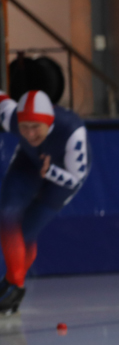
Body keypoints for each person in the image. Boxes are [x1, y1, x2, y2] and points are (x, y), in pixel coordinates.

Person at [0, 90, 90, 315]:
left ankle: (11, 284)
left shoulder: (73, 132)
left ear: (48, 123)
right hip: (30, 162)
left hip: (64, 177)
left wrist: (50, 172)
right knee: (7, 216)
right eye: (24, 127)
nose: (30, 134)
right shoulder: (11, 118)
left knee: (26, 231)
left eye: (35, 127)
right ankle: (16, 286)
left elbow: (76, 178)